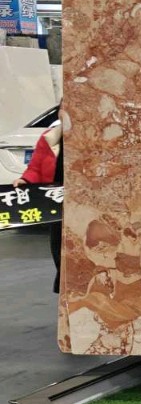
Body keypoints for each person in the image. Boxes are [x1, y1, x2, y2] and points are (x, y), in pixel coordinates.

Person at [15, 118, 63, 292]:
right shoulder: (50, 137)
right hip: (56, 205)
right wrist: (25, 180)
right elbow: (35, 168)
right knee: (59, 252)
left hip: (86, 206)